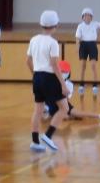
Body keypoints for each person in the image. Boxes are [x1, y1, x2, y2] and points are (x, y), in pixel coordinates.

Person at [26, 10, 68, 152]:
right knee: (64, 108)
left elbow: (28, 61)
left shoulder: (33, 39)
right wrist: (63, 84)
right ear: (55, 25)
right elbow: (54, 65)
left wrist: (35, 75)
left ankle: (35, 141)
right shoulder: (53, 43)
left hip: (37, 76)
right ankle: (48, 136)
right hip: (49, 77)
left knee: (38, 110)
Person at [75, 8, 100, 95]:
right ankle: (81, 85)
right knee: (83, 65)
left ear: (91, 17)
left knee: (93, 65)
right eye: (85, 16)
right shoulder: (80, 26)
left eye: (89, 16)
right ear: (82, 17)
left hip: (92, 45)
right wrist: (77, 46)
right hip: (83, 45)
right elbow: (77, 37)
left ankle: (95, 85)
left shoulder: (95, 24)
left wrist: (95, 29)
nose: (87, 17)